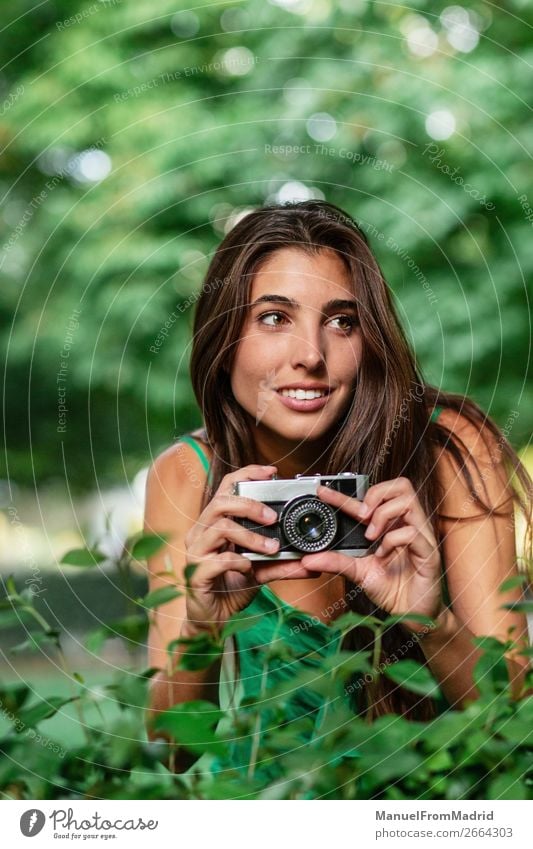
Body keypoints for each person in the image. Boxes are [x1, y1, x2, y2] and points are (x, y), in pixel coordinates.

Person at [143, 200, 531, 780]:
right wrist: (201, 628)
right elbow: (174, 750)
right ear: (224, 338)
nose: (310, 356)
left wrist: (429, 621)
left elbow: (514, 728)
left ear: (368, 338)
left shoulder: (446, 444)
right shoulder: (187, 473)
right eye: (274, 317)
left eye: (341, 321)